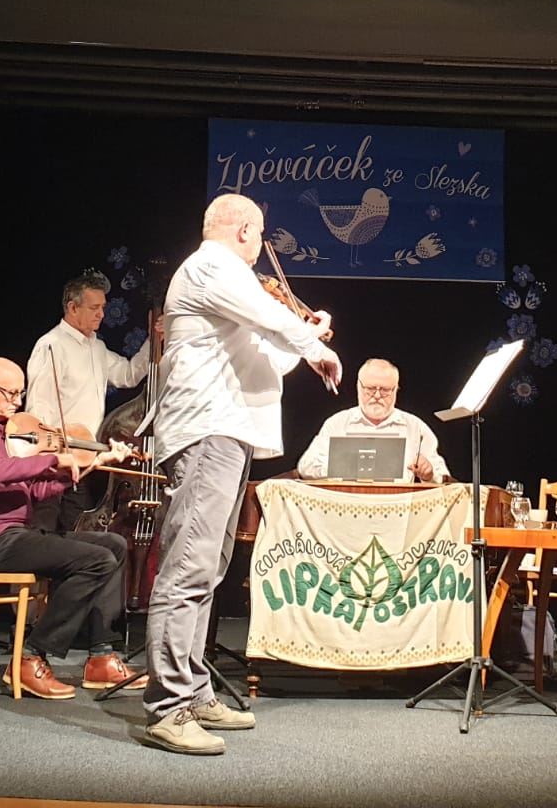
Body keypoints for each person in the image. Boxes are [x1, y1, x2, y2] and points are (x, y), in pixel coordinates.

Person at [139, 193, 342, 755]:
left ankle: (193, 690)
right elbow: (271, 318)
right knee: (189, 568)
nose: (261, 247)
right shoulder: (212, 266)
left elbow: (266, 355)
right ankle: (168, 706)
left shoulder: (231, 285)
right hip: (207, 430)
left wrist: (309, 341)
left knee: (209, 569)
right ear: (247, 230)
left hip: (227, 432)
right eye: (261, 234)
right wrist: (308, 340)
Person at [0, 356, 148, 700]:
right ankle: (30, 656)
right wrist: (52, 458)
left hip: (15, 535)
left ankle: (100, 657)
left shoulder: (2, 432)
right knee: (96, 561)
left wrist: (93, 462)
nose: (17, 402)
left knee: (113, 545)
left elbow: (34, 491)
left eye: (21, 394)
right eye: (11, 393)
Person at [24, 269, 157, 534]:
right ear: (72, 308)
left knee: (76, 533)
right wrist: (51, 456)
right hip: (57, 459)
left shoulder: (97, 347)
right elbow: (38, 408)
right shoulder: (51, 344)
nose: (101, 314)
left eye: (103, 307)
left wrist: (154, 339)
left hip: (86, 460)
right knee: (45, 530)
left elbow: (128, 374)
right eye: (94, 308)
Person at [296, 357, 450, 483]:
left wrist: (429, 474)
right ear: (358, 387)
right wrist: (340, 467)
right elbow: (305, 468)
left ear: (396, 389)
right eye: (370, 389)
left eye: (385, 390)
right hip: (346, 504)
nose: (377, 396)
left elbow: (442, 475)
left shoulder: (415, 427)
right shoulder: (337, 423)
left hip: (396, 506)